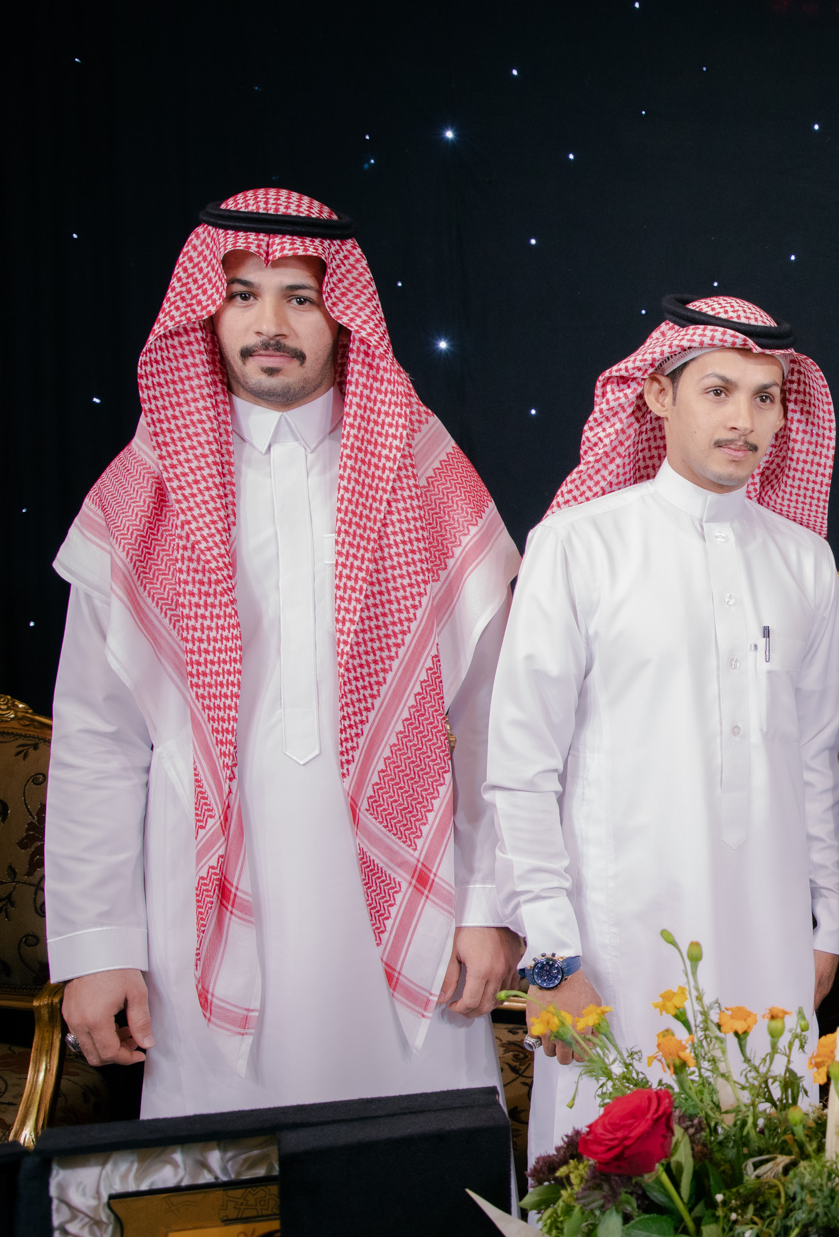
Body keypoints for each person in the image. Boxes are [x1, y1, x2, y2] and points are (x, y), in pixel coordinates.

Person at [47, 190, 523, 1116]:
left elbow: (497, 721)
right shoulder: (143, 495)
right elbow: (98, 740)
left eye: (299, 297)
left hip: (415, 909)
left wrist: (489, 903)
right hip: (204, 909)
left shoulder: (426, 476)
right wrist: (98, 945)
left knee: (414, 1171)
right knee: (230, 1177)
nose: (270, 323)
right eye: (243, 295)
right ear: (207, 311)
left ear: (341, 313)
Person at [487, 296, 839, 1162]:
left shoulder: (804, 561)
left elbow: (816, 760)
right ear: (657, 396)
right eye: (718, 391)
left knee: (768, 1181)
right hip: (613, 955)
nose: (744, 420)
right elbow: (521, 767)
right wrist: (551, 959)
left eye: (765, 397)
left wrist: (826, 928)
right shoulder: (577, 546)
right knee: (614, 1193)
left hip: (768, 942)